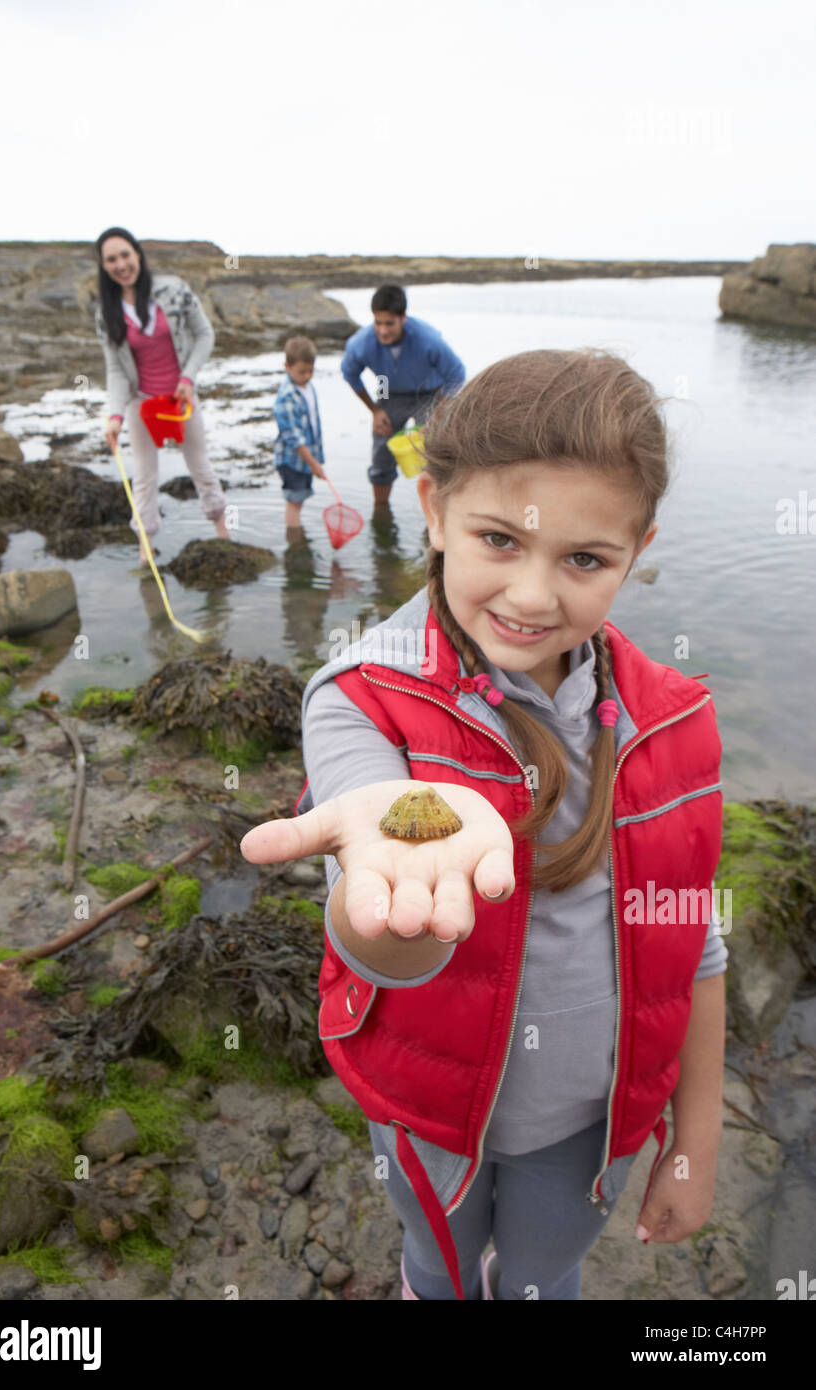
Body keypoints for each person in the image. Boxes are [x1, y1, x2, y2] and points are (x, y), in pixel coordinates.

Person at [241, 348, 727, 1302]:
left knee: (546, 1275)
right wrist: (388, 900)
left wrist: (695, 1139)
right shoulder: (360, 700)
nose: (535, 595)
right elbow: (382, 934)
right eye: (499, 540)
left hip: (590, 1116)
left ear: (639, 548)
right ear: (432, 512)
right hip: (430, 1107)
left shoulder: (676, 720)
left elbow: (695, 941)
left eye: (585, 559)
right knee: (441, 1268)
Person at [93, 226, 231, 566]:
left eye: (125, 255)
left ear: (137, 254)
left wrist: (188, 377)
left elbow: (204, 335)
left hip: (180, 401)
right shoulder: (106, 313)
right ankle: (145, 551)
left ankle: (224, 534)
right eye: (111, 259)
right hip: (142, 403)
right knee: (144, 477)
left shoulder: (173, 290)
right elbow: (115, 370)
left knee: (201, 466)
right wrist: (115, 417)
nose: (121, 264)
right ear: (104, 266)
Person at [340, 284, 466, 506]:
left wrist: (438, 415)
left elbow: (456, 373)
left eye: (390, 323)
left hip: (429, 393)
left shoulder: (428, 339)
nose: (383, 330)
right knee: (381, 455)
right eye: (378, 322)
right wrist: (374, 410)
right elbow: (350, 374)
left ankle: (435, 515)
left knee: (434, 452)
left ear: (403, 318)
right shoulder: (360, 344)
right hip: (388, 391)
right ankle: (381, 512)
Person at [272, 336, 327, 527]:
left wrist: (315, 459)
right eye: (301, 372)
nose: (307, 376)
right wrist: (314, 464)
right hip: (292, 461)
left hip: (306, 459)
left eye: (310, 371)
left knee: (299, 500)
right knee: (294, 502)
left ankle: (297, 537)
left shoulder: (308, 387)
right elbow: (294, 438)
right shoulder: (287, 397)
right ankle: (295, 544)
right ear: (287, 366)